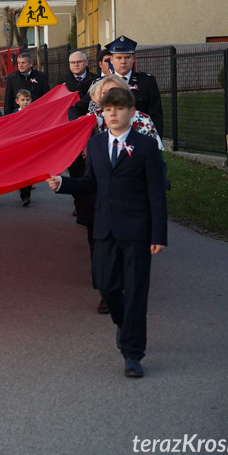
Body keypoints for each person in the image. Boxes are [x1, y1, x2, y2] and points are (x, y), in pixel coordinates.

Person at [47, 87, 167, 378]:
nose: (112, 113)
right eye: (107, 109)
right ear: (102, 112)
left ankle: (133, 354)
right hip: (105, 228)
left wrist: (158, 235)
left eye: (118, 108)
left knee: (137, 291)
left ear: (130, 112)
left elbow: (156, 194)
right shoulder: (98, 145)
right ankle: (124, 324)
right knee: (106, 284)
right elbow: (90, 182)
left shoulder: (146, 147)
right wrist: (63, 184)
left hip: (137, 231)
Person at [106, 35, 165, 136]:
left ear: (133, 58)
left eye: (127, 57)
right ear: (111, 60)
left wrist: (155, 142)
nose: (123, 62)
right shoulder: (103, 83)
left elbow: (156, 115)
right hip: (110, 139)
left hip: (140, 138)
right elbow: (82, 109)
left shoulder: (147, 82)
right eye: (119, 58)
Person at [13, 89, 34, 206]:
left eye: (27, 100)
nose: (25, 102)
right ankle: (22, 190)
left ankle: (26, 195)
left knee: (29, 170)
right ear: (17, 101)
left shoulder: (35, 113)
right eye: (22, 100)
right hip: (18, 147)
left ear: (31, 100)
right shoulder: (14, 115)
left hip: (30, 146)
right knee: (20, 170)